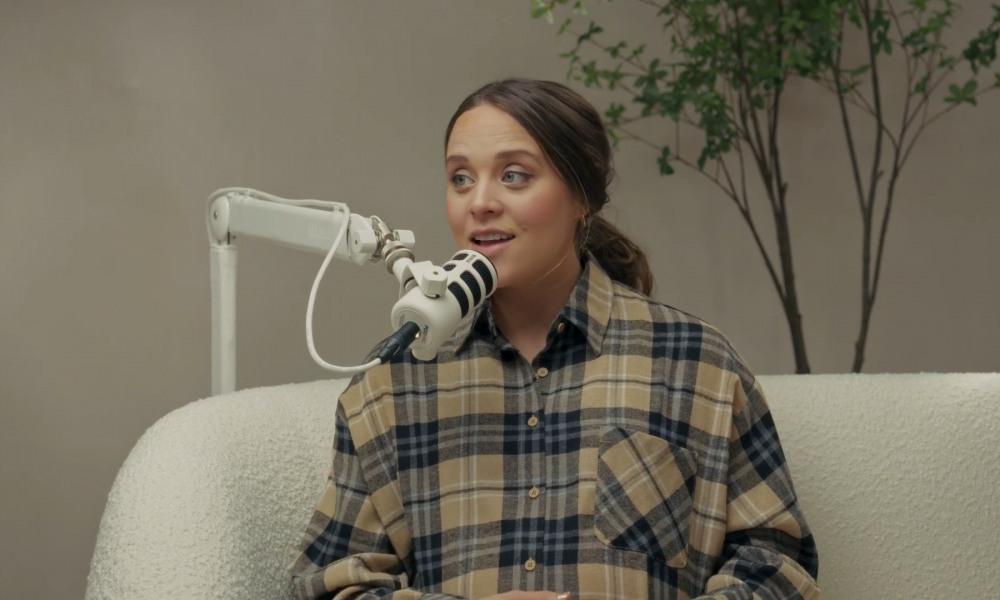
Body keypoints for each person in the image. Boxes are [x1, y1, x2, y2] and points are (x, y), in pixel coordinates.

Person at [289, 78, 819, 600]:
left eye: (514, 176)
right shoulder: (393, 381)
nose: (480, 202)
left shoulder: (696, 365)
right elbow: (330, 584)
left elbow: (776, 567)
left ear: (582, 196)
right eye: (460, 179)